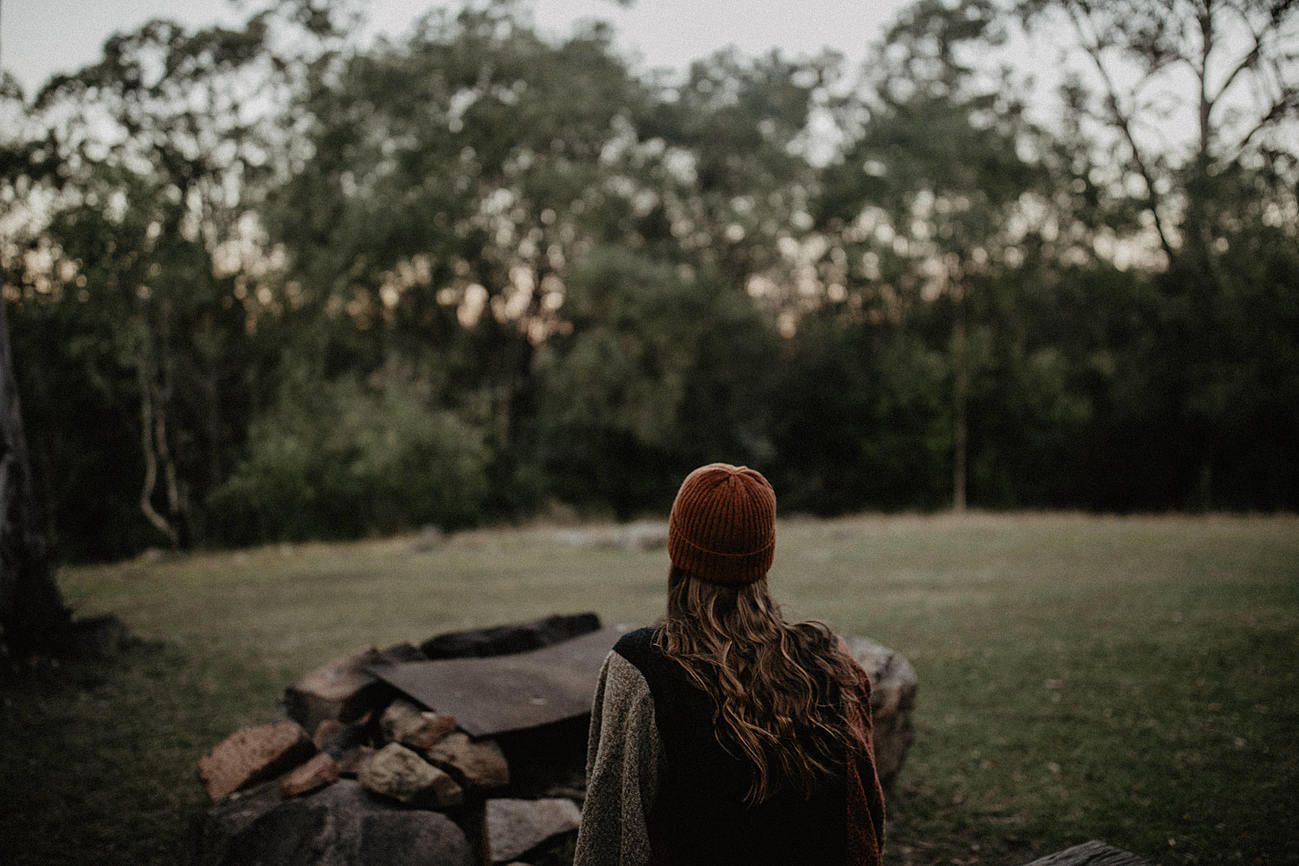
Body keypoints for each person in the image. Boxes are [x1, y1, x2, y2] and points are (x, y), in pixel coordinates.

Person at [574, 463, 886, 866]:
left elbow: (611, 835)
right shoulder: (831, 661)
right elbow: (866, 823)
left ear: (678, 548)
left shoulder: (641, 668)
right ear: (765, 555)